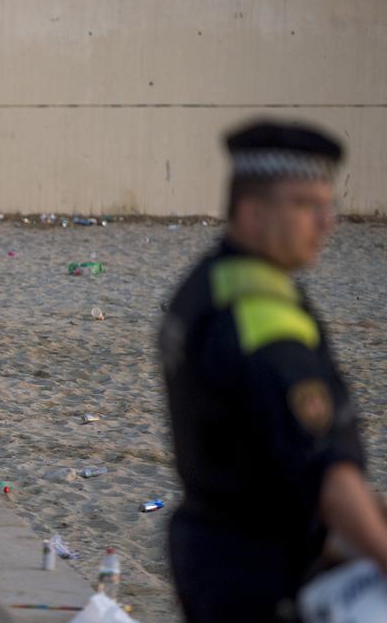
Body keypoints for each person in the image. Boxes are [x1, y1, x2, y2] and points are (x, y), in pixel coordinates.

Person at [160, 120, 387, 622]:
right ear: (252, 211)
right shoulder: (262, 321)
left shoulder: (209, 282)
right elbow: (325, 472)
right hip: (261, 571)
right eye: (305, 204)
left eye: (328, 204)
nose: (326, 220)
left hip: (213, 548)